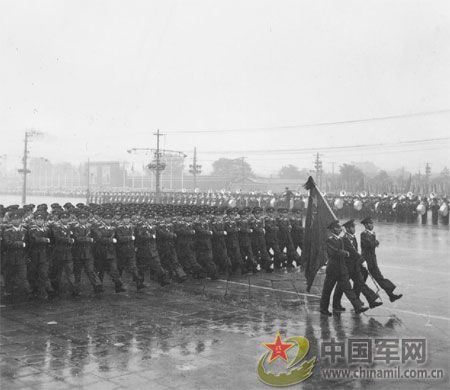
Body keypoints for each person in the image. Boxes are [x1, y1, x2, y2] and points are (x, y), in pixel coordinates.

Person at [320, 220, 369, 316]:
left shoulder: (341, 240)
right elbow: (333, 252)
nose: (340, 230)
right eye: (338, 228)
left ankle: (358, 307)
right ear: (333, 229)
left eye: (340, 228)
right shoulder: (329, 240)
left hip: (342, 270)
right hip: (333, 270)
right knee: (327, 290)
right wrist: (344, 253)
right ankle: (323, 309)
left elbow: (348, 249)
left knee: (348, 289)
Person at [332, 219, 382, 311]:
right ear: (347, 228)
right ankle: (336, 304)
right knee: (340, 287)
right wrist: (362, 260)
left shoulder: (353, 238)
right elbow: (353, 252)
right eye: (352, 227)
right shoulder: (344, 239)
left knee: (361, 284)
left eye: (354, 226)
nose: (354, 228)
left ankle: (371, 301)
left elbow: (355, 252)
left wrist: (359, 262)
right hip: (346, 268)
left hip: (354, 267)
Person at [360, 217, 402, 302]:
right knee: (360, 282)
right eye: (370, 223)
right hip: (365, 262)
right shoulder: (364, 234)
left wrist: (375, 243)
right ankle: (357, 300)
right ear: (366, 225)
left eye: (372, 223)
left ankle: (391, 295)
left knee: (379, 278)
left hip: (372, 261)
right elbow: (370, 244)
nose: (372, 225)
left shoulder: (372, 234)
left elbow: (373, 244)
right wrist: (376, 242)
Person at [1, 210, 32, 299]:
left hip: (21, 257)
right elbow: (7, 243)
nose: (16, 221)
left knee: (23, 277)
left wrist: (26, 254)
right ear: (11, 221)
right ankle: (8, 293)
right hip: (10, 258)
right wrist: (21, 244)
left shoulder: (25, 231)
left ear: (21, 220)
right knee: (9, 276)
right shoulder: (7, 231)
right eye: (14, 219)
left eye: (18, 219)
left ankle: (25, 293)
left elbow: (29, 244)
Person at [27, 212, 54, 300]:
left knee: (43, 273)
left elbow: (52, 240)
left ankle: (43, 291)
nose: (39, 221)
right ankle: (33, 290)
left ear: (44, 221)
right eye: (38, 220)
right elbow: (34, 240)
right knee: (32, 274)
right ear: (35, 221)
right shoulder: (32, 229)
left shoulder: (47, 229)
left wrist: (46, 241)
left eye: (41, 220)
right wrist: (45, 240)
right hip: (34, 255)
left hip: (44, 255)